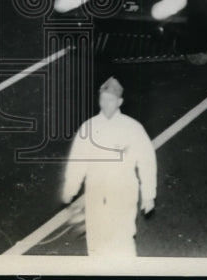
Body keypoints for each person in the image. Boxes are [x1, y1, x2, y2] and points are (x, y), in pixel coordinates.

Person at [61, 77, 157, 257]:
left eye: (110, 100)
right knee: (96, 239)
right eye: (103, 99)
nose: (106, 104)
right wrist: (70, 189)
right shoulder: (88, 127)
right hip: (96, 191)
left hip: (123, 190)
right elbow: (77, 162)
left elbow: (147, 162)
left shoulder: (132, 128)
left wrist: (149, 195)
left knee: (123, 238)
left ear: (120, 102)